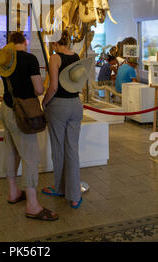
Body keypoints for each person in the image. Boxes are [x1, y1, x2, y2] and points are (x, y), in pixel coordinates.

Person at [0, 32, 58, 221]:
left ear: (10, 43)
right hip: (22, 113)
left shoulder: (4, 58)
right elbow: (39, 89)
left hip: (6, 108)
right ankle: (32, 205)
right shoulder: (30, 59)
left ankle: (13, 192)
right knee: (30, 157)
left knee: (11, 151)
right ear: (25, 42)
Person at [41, 30, 92, 209]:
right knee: (72, 149)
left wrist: (44, 103)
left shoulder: (55, 58)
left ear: (55, 43)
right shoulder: (76, 56)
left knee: (58, 149)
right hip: (76, 104)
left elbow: (53, 86)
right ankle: (74, 195)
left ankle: (59, 188)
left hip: (59, 106)